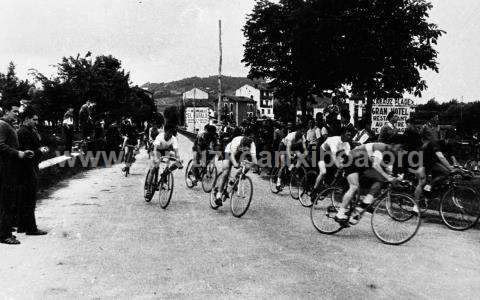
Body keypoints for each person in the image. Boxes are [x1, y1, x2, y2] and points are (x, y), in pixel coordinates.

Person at [337, 137, 404, 225]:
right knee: (354, 187)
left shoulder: (391, 154)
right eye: (399, 148)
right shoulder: (381, 148)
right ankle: (340, 214)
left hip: (363, 164)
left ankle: (365, 204)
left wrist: (395, 177)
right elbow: (376, 165)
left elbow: (386, 169)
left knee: (380, 180)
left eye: (402, 149)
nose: (400, 150)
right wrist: (388, 177)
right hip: (351, 160)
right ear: (392, 145)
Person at [0, 104, 34, 245]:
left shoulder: (7, 125)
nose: (16, 114)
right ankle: (4, 235)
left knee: (8, 201)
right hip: (4, 170)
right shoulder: (2, 125)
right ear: (6, 111)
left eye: (17, 112)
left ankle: (6, 231)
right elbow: (0, 145)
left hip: (9, 169)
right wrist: (18, 153)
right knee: (5, 202)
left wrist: (23, 152)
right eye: (14, 111)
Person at [17, 107, 48, 236]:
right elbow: (28, 153)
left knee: (24, 198)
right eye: (34, 119)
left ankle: (22, 226)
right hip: (28, 169)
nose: (36, 122)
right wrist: (40, 151)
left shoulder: (26, 131)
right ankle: (31, 228)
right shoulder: (24, 132)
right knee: (30, 198)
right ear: (27, 119)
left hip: (27, 168)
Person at [310, 127, 354, 200]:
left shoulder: (346, 144)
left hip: (331, 155)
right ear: (342, 134)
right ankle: (314, 191)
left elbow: (348, 156)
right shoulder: (334, 141)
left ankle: (328, 187)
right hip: (322, 153)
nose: (350, 137)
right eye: (348, 135)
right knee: (323, 172)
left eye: (350, 135)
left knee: (340, 169)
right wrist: (339, 166)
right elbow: (334, 156)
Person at [213, 135, 258, 206]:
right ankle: (219, 194)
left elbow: (254, 160)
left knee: (247, 167)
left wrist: (250, 165)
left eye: (246, 148)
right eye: (243, 147)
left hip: (242, 154)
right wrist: (235, 164)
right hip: (229, 152)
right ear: (241, 144)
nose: (244, 148)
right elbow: (231, 156)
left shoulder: (252, 145)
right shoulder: (236, 141)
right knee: (226, 170)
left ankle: (233, 181)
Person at [145, 124, 182, 199]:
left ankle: (165, 174)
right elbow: (155, 149)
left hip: (166, 151)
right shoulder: (160, 136)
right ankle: (148, 188)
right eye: (168, 133)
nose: (169, 135)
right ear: (165, 131)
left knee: (179, 162)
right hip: (156, 150)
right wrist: (156, 158)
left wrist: (178, 159)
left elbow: (176, 151)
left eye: (171, 134)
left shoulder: (173, 138)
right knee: (153, 169)